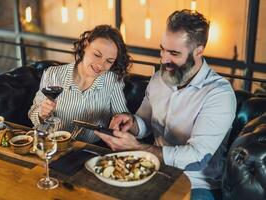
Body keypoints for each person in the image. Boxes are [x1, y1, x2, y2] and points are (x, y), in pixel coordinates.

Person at [95, 10, 236, 200]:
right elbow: (144, 121)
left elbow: (197, 157)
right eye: (162, 49)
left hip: (197, 184)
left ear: (198, 51)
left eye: (174, 53)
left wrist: (138, 148)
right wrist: (131, 123)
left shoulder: (219, 94)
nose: (163, 59)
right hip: (152, 170)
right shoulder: (159, 79)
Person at [29, 25, 130, 143]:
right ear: (85, 45)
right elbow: (33, 114)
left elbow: (122, 118)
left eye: (109, 61)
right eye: (97, 55)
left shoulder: (112, 81)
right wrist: (41, 113)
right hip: (53, 145)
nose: (101, 65)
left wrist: (119, 124)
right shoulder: (53, 74)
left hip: (88, 151)